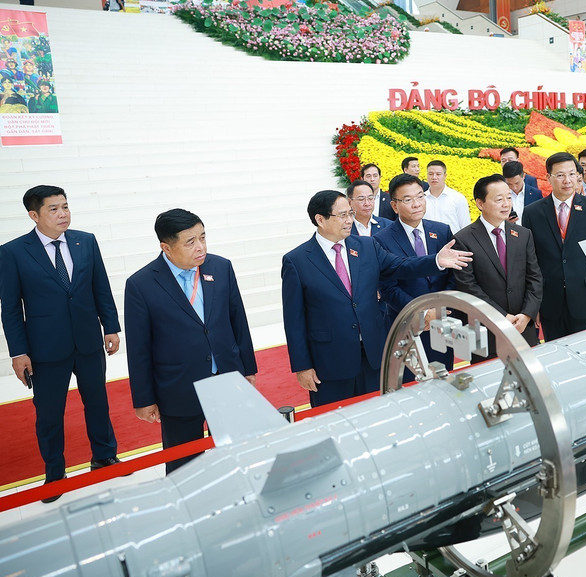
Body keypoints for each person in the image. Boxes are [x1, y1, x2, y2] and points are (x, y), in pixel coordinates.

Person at [282, 190, 471, 407]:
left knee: (377, 413)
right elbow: (294, 319)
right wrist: (302, 366)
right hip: (330, 359)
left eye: (350, 214)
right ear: (320, 219)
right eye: (342, 215)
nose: (349, 220)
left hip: (374, 355)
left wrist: (436, 261)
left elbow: (401, 266)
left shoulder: (366, 246)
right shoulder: (297, 261)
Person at [0, 186, 121, 502]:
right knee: (49, 414)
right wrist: (18, 352)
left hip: (88, 341)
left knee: (97, 402)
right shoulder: (12, 252)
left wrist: (111, 327)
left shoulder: (86, 241)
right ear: (34, 215)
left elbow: (101, 288)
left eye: (65, 206)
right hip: (45, 349)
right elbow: (11, 308)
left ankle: (104, 457)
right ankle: (54, 472)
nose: (63, 213)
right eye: (53, 209)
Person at [124, 209, 257, 473]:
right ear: (166, 247)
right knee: (185, 466)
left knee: (238, 456)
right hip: (179, 387)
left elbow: (237, 320)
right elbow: (139, 349)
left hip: (226, 378)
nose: (201, 247)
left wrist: (248, 368)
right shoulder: (141, 284)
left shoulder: (220, 267)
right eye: (190, 241)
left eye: (203, 237)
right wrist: (144, 398)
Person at [524, 152, 586, 340]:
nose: (568, 180)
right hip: (549, 301)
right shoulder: (532, 213)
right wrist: (532, 305)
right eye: (560, 175)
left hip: (585, 299)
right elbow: (530, 262)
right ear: (549, 177)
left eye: (572, 174)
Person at [452, 175, 543, 354]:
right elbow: (468, 287)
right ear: (480, 203)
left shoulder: (523, 234)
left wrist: (526, 314)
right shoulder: (463, 240)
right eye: (498, 199)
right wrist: (501, 317)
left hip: (522, 326)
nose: (506, 204)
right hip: (486, 328)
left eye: (508, 197)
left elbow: (535, 277)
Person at [375, 174, 456, 374]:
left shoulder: (441, 230)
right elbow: (387, 288)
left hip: (441, 321)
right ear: (394, 206)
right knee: (411, 382)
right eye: (408, 200)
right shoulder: (381, 240)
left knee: (444, 377)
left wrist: (440, 307)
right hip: (405, 324)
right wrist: (422, 314)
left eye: (420, 197)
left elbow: (454, 275)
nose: (416, 204)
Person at [424, 160, 471, 232]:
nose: (434, 177)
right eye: (430, 174)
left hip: (453, 241)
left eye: (438, 174)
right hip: (428, 242)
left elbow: (466, 227)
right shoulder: (421, 199)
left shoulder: (457, 198)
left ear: (445, 176)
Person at [502, 160, 542, 226]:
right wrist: (504, 223)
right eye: (509, 184)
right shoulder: (501, 194)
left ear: (523, 176)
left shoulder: (536, 194)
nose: (514, 187)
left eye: (517, 183)